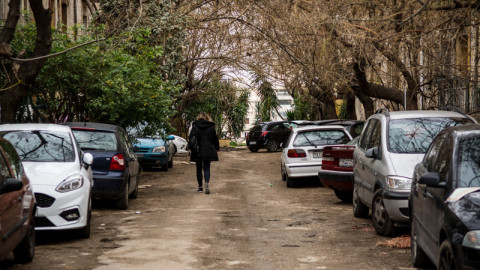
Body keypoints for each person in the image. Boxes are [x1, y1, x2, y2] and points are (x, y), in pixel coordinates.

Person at [189, 112, 220, 194]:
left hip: (198, 149)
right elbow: (215, 138)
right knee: (207, 167)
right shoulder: (211, 126)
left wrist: (191, 148)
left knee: (198, 168)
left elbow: (191, 138)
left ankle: (200, 187)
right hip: (208, 148)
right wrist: (217, 148)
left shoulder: (195, 126)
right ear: (207, 117)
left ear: (198, 117)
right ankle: (206, 182)